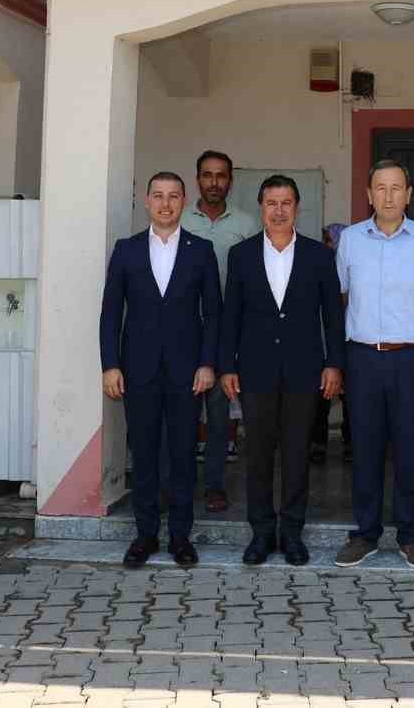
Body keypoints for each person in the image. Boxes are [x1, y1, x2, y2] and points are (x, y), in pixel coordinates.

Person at [333, 159, 414, 570]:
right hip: (363, 357)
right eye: (380, 188)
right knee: (364, 447)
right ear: (368, 194)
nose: (388, 196)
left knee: (410, 447)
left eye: (396, 188)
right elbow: (339, 299)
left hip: (412, 358)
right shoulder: (350, 240)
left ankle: (410, 535)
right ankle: (365, 533)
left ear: (409, 194)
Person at [219, 175, 344, 567]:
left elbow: (333, 316)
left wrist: (334, 364)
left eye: (286, 203)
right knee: (257, 455)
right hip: (254, 371)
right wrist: (227, 366)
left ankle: (291, 533)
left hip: (304, 371)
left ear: (297, 208)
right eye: (271, 203)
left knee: (296, 454)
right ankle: (260, 534)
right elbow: (230, 314)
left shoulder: (319, 256)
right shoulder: (240, 255)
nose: (278, 211)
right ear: (261, 207)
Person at [99, 171, 221, 569]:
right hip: (138, 370)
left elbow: (213, 314)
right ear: (147, 201)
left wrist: (207, 363)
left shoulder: (201, 250)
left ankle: (181, 537)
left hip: (188, 373)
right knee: (145, 455)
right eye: (158, 196)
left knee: (183, 456)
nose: (166, 204)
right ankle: (145, 535)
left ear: (184, 201)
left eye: (173, 196)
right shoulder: (127, 250)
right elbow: (111, 313)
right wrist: (110, 365)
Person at [180, 149, 260, 513]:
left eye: (221, 175)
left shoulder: (246, 224)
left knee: (218, 415)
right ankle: (180, 483)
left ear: (230, 180)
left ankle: (214, 486)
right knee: (181, 414)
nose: (214, 182)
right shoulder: (179, 219)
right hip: (182, 330)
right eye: (207, 175)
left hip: (226, 332)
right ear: (197, 179)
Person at [311, 222, 351, 465]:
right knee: (321, 394)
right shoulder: (319, 265)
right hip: (324, 339)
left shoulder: (352, 266)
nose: (326, 245)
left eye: (329, 240)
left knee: (351, 396)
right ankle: (318, 443)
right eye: (324, 240)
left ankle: (351, 444)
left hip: (351, 338)